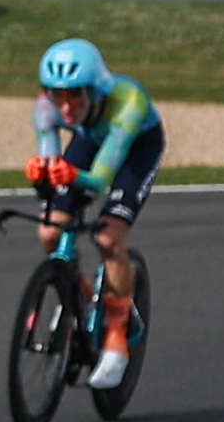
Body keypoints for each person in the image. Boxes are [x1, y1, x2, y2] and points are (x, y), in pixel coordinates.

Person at [31, 37, 163, 388]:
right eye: (58, 95)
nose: (67, 106)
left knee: (107, 238)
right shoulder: (46, 109)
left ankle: (117, 339)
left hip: (134, 149)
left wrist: (71, 176)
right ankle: (85, 297)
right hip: (90, 140)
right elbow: (50, 160)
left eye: (77, 95)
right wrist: (43, 172)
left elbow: (100, 178)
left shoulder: (127, 102)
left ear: (97, 90)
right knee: (50, 231)